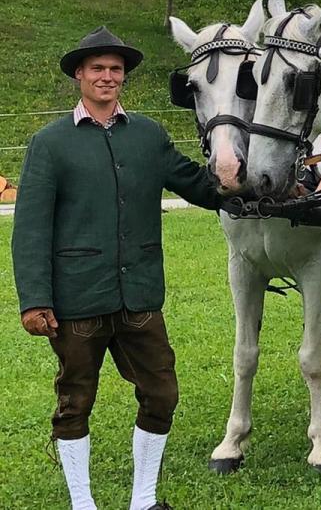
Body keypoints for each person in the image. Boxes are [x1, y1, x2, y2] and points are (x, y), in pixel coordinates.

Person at [12, 27, 221, 510]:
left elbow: (198, 184)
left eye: (116, 70)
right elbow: (31, 229)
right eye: (98, 69)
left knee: (161, 393)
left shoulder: (148, 135)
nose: (107, 77)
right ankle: (82, 504)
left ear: (124, 78)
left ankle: (142, 501)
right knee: (75, 402)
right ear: (79, 76)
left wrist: (248, 184)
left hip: (140, 297)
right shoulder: (50, 143)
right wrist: (35, 300)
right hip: (76, 301)